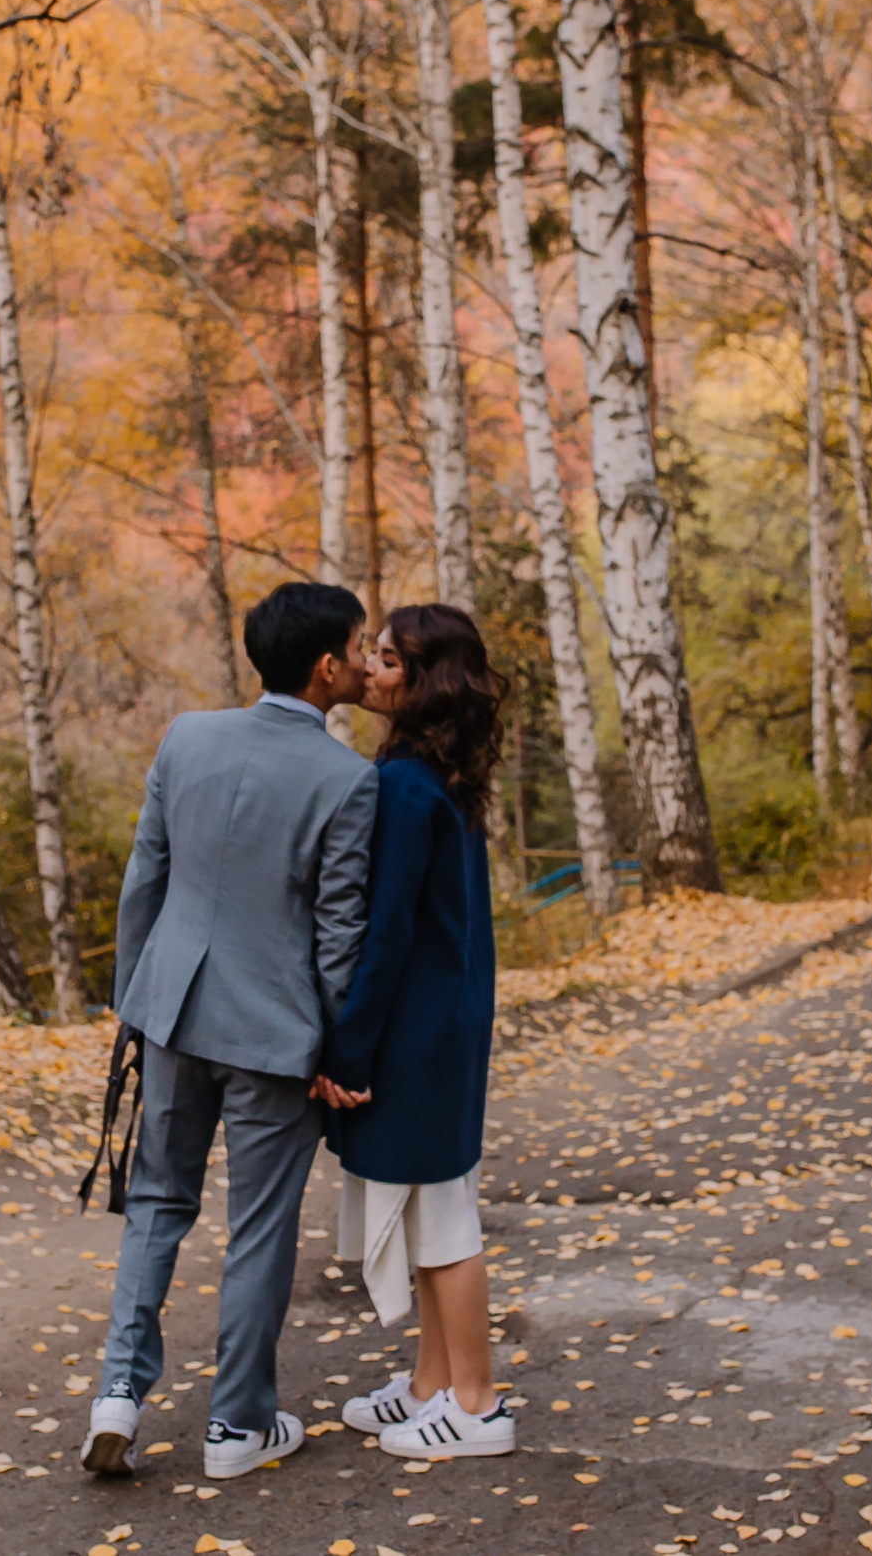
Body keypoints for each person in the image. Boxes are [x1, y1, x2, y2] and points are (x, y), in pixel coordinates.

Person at [84, 582, 378, 1482]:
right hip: (272, 1034)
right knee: (259, 1227)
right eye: (360, 647)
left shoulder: (187, 736)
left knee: (156, 1206)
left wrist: (136, 1001)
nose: (367, 660)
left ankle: (116, 1398)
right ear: (327, 667)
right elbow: (338, 934)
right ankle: (235, 1428)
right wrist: (334, 1046)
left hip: (172, 1012)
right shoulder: (347, 780)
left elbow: (146, 881)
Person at [313, 604, 516, 1460]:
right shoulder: (436, 773)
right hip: (452, 1014)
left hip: (418, 1026)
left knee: (444, 1221)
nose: (371, 670)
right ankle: (432, 1382)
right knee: (438, 1207)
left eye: (390, 660)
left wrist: (347, 1048)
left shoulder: (401, 784)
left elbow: (386, 929)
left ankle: (477, 1402)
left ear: (425, 682)